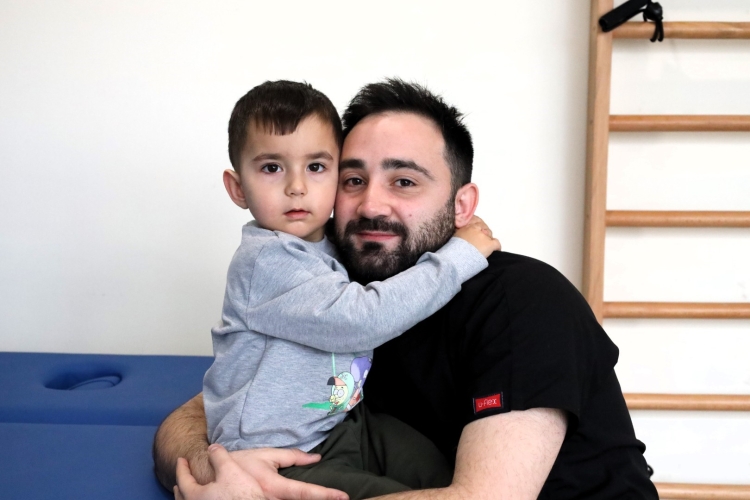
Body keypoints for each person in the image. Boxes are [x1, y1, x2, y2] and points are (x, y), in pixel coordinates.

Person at [154, 79, 659, 500]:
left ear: (462, 207)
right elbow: (203, 411)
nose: (371, 205)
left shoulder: (522, 301)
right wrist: (223, 472)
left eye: (404, 182)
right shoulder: (337, 286)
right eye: (353, 180)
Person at [197, 80, 500, 500]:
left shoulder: (330, 243)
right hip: (276, 452)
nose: (296, 187)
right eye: (271, 168)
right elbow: (361, 320)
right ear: (237, 188)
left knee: (434, 468)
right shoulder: (266, 260)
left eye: (316, 168)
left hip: (337, 425)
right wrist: (458, 258)